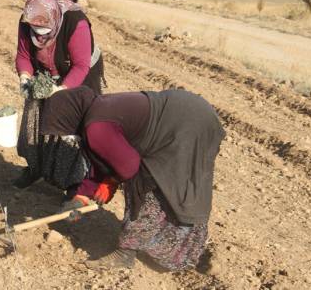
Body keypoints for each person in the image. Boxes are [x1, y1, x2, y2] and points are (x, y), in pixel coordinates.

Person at [37, 86, 225, 271]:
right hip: (193, 113)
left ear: (67, 117)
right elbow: (105, 157)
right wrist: (82, 196)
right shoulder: (96, 111)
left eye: (60, 128)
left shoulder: (96, 128)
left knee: (146, 185)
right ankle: (193, 251)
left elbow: (128, 166)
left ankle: (127, 253)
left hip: (187, 126)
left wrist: (110, 181)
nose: (64, 136)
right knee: (177, 190)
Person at [13, 0, 104, 189]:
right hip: (46, 73)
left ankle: (75, 182)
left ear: (54, 18)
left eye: (44, 30)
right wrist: (25, 77)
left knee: (71, 127)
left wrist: (60, 90)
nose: (40, 35)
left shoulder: (74, 22)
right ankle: (35, 168)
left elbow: (81, 65)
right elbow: (23, 55)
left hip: (80, 74)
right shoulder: (27, 20)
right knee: (34, 119)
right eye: (35, 30)